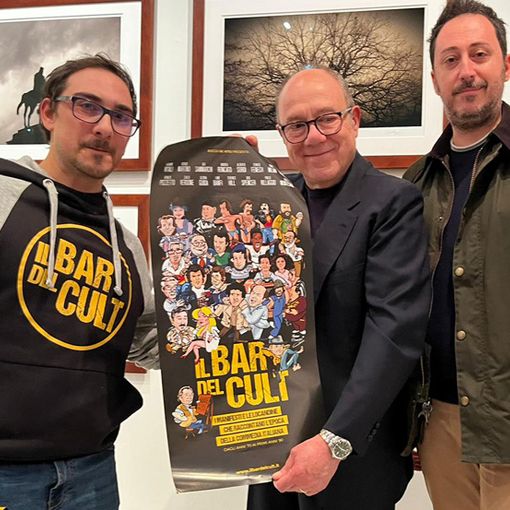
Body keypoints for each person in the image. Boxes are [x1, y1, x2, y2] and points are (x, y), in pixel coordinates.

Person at [247, 66, 430, 510]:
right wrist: (229, 181)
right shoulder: (270, 202)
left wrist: (335, 441)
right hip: (272, 442)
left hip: (352, 452)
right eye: (296, 125)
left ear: (354, 119)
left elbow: (394, 333)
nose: (313, 136)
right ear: (282, 135)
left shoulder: (392, 202)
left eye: (327, 118)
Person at [0, 54, 158, 509]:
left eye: (121, 116)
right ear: (48, 113)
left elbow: (148, 343)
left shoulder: (127, 244)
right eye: (87, 106)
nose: (105, 127)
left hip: (93, 471)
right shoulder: (4, 198)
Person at [403, 1, 510, 508]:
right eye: (450, 59)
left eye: (479, 54)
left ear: (505, 65)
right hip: (442, 422)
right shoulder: (415, 184)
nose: (466, 70)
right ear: (435, 80)